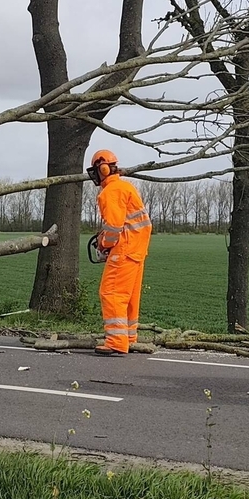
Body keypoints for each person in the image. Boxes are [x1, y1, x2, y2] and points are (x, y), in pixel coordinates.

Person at [86, 149, 152, 357]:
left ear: (103, 168)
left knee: (111, 293)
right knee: (130, 296)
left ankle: (116, 341)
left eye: (97, 170)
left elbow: (114, 226)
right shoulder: (126, 186)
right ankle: (129, 337)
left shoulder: (110, 192)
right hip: (137, 249)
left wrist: (104, 244)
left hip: (124, 248)